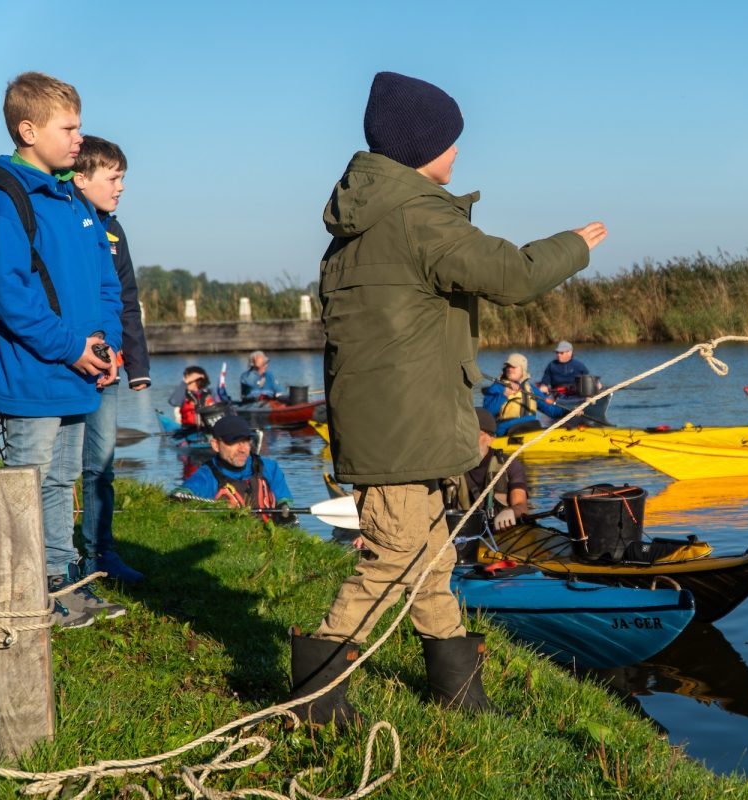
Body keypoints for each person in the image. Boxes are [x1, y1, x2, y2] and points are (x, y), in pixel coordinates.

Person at [291, 70, 606, 727]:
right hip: (405, 430)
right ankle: (314, 698)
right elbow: (511, 276)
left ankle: (458, 689)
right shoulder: (418, 217)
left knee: (432, 561)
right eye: (449, 140)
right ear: (416, 147)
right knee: (391, 564)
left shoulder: (357, 224)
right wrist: (574, 246)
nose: (458, 151)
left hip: (393, 421)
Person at [0, 72, 125, 627]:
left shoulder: (73, 200)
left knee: (62, 484)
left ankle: (61, 583)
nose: (78, 138)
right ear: (28, 129)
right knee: (27, 487)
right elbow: (6, 293)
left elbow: (106, 283)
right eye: (69, 127)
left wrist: (105, 345)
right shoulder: (1, 201)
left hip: (78, 372)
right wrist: (70, 346)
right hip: (35, 375)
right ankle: (20, 592)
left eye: (80, 126)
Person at [74, 136, 150, 584]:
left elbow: (127, 298)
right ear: (83, 179)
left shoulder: (115, 231)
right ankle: (57, 559)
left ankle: (102, 552)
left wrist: (134, 364)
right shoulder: (64, 223)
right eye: (114, 178)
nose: (121, 187)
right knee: (59, 469)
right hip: (67, 361)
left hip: (109, 365)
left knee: (101, 465)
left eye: (123, 178)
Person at [170, 415, 294, 523]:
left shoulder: (270, 468)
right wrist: (180, 496)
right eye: (234, 442)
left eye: (245, 441)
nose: (242, 449)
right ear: (215, 445)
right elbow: (180, 495)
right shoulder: (206, 476)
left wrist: (284, 508)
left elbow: (285, 498)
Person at [443, 408, 529, 531]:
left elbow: (521, 506)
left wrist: (511, 511)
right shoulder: (448, 469)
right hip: (460, 535)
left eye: (475, 434)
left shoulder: (510, 465)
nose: (468, 440)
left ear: (491, 438)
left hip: (500, 534)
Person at [482, 353, 569, 437]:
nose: (509, 369)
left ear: (523, 369)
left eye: (514, 366)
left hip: (531, 426)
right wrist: (503, 395)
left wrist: (570, 411)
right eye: (508, 366)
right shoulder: (498, 387)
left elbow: (551, 410)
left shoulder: (531, 389)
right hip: (508, 431)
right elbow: (487, 413)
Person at [167, 365, 215, 431]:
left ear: (198, 381)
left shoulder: (211, 393)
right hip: (188, 430)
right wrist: (184, 383)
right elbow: (173, 402)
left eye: (188, 380)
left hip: (209, 429)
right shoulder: (183, 394)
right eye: (185, 380)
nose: (185, 382)